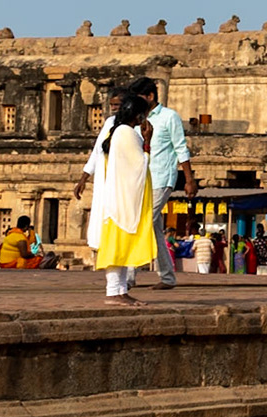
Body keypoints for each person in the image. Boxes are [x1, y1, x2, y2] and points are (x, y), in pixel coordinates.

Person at [74, 90, 159, 304]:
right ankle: (113, 291)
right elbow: (139, 166)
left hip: (119, 198)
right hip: (120, 201)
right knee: (115, 248)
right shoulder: (125, 133)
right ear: (138, 116)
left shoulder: (118, 131)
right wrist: (147, 142)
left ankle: (120, 290)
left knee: (121, 248)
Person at [127, 77, 198, 289]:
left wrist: (189, 179)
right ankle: (167, 277)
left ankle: (129, 276)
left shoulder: (169, 117)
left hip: (161, 178)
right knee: (156, 229)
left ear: (150, 96)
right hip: (142, 179)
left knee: (140, 222)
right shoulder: (137, 118)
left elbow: (180, 148)